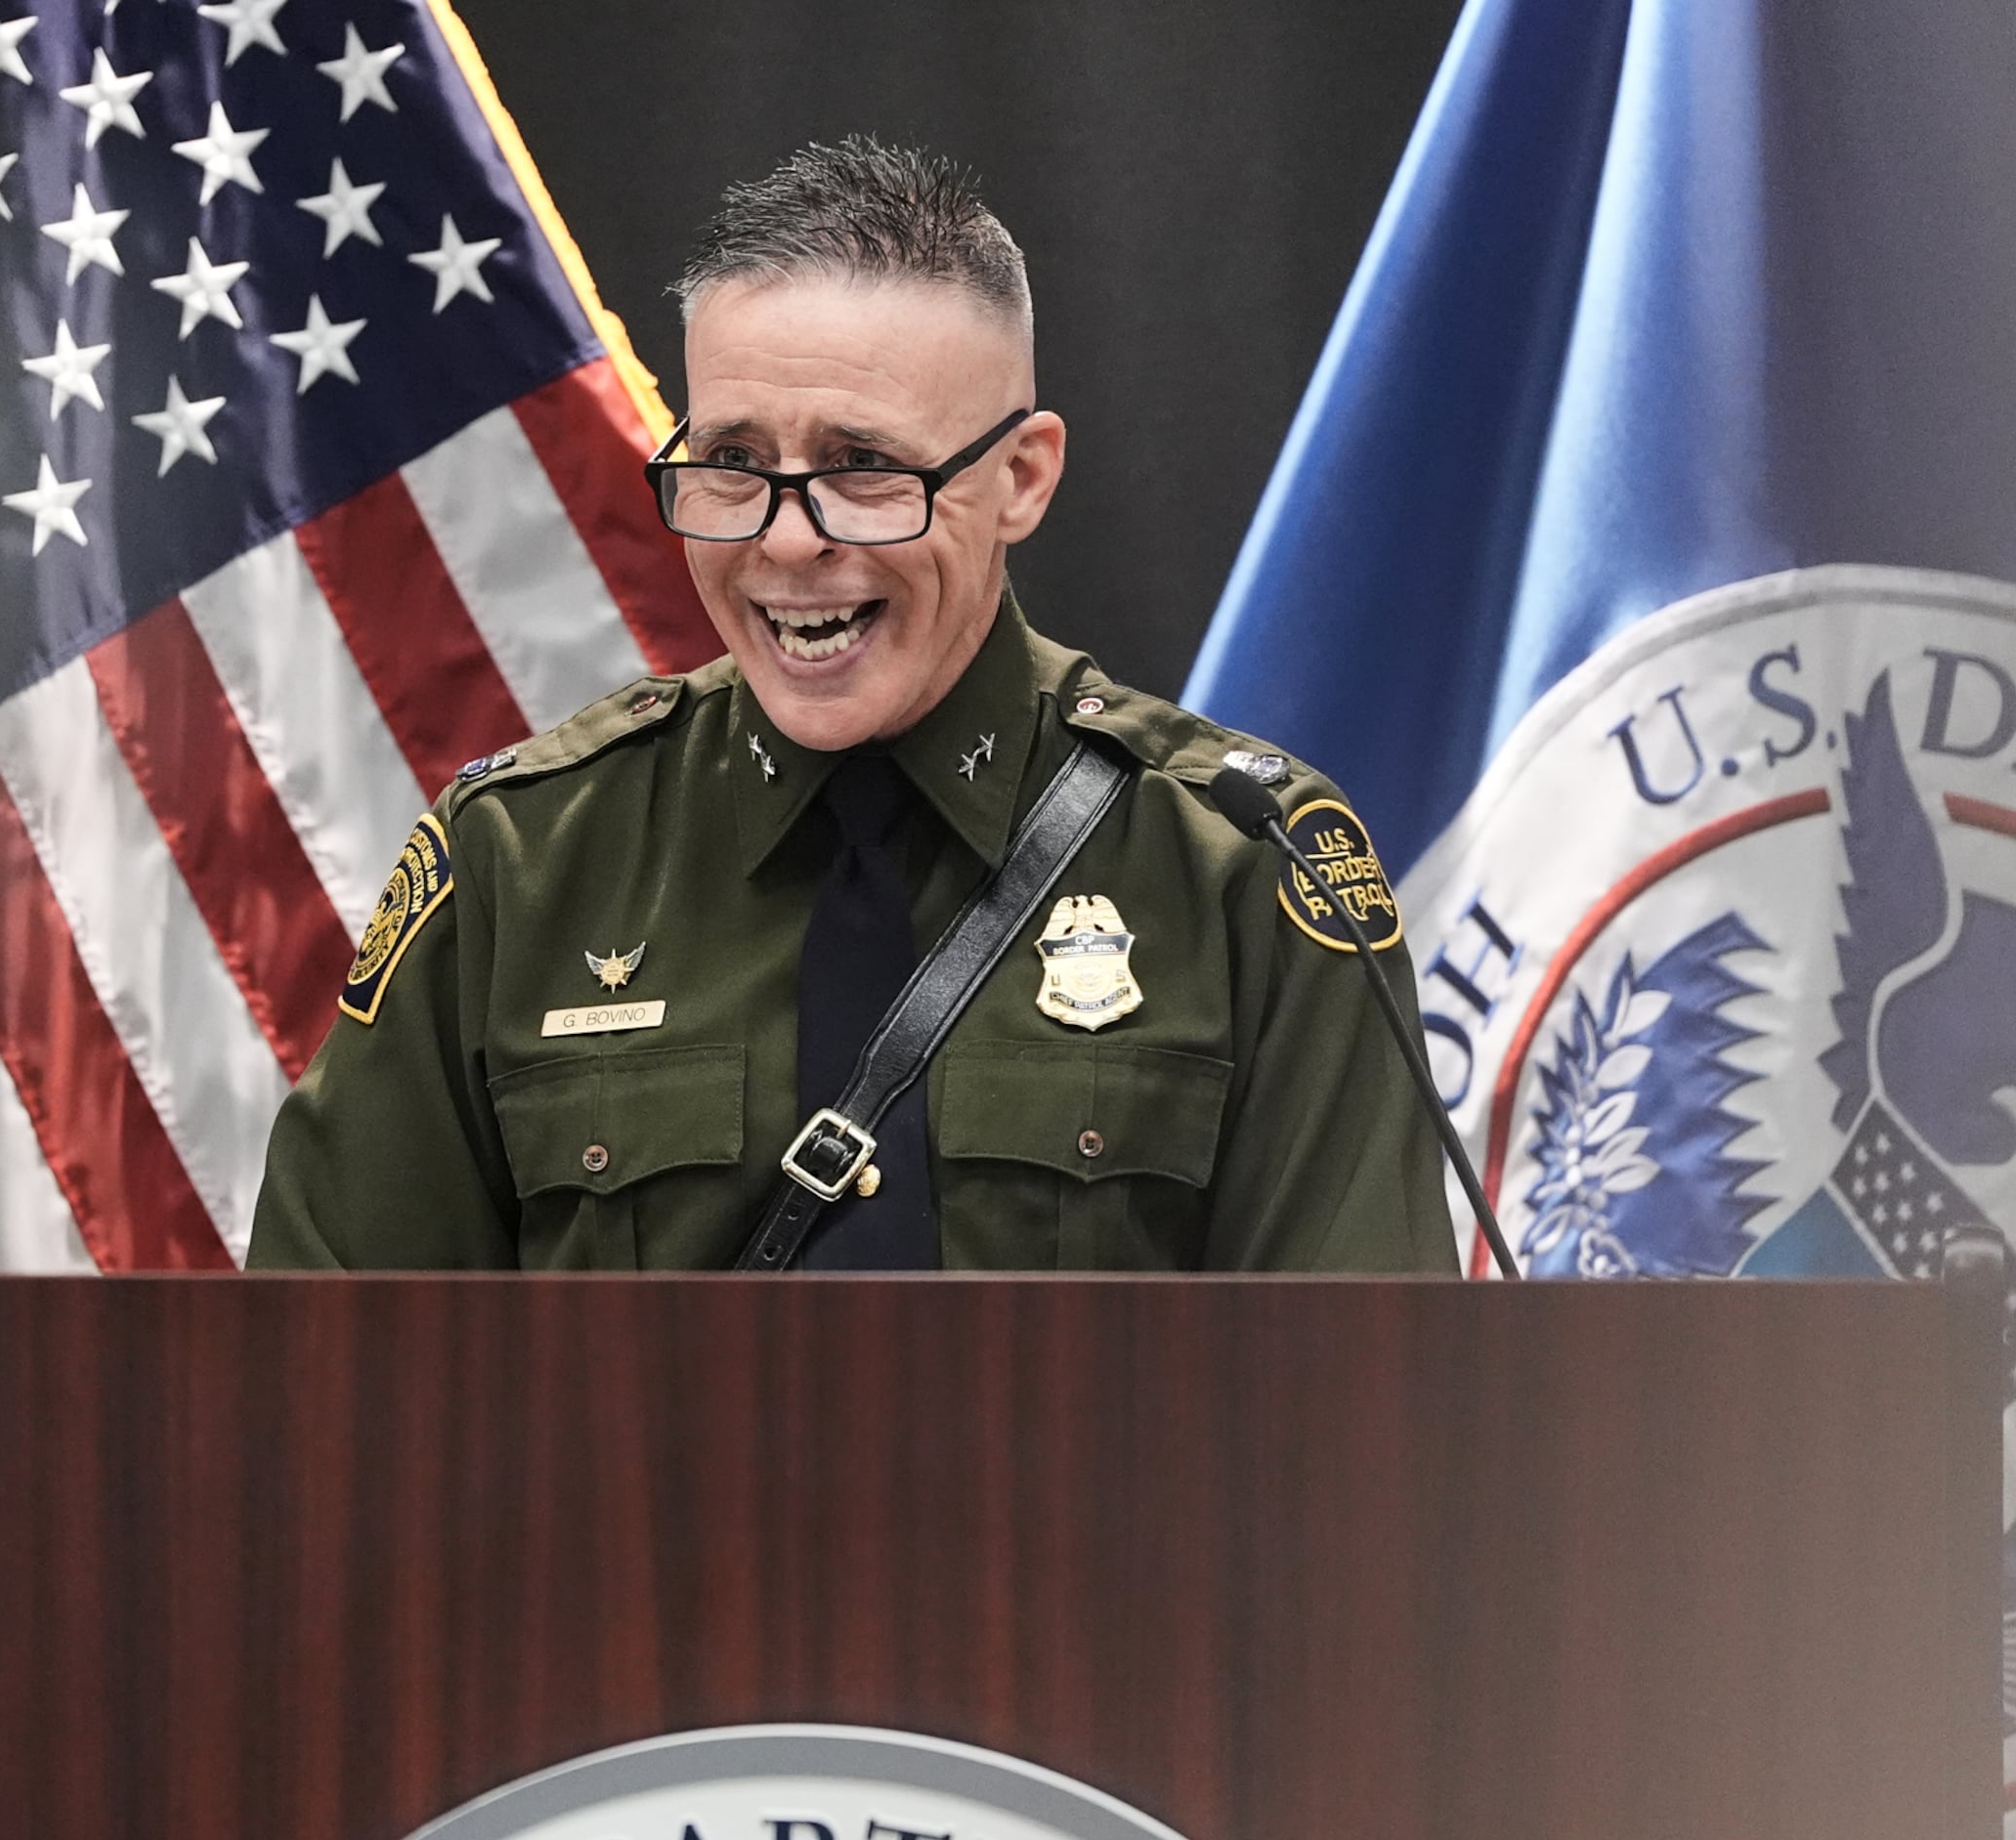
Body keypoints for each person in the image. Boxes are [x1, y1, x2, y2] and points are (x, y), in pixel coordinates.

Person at [252, 139, 1454, 1273]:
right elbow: (325, 1377)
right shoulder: (520, 863)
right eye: (733, 463)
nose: (786, 541)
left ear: (1021, 476)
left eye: (864, 467)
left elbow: (1361, 1395)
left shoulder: (1242, 866)